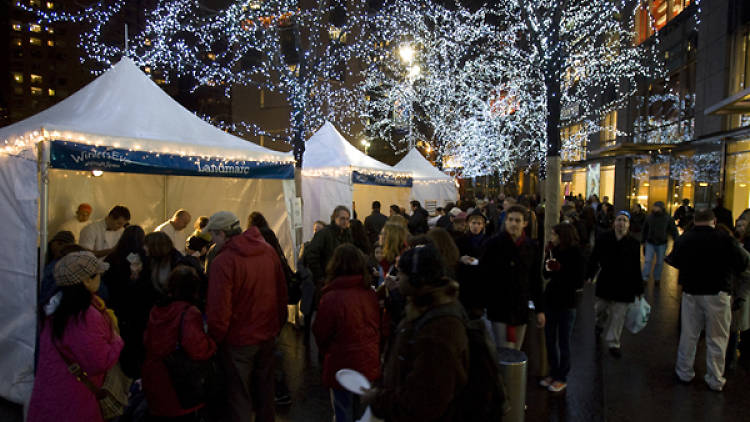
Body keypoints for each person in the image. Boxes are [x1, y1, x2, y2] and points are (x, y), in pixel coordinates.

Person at [361, 244, 468, 422]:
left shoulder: (437, 330)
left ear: (417, 279)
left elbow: (425, 401)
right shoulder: (424, 308)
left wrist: (378, 400)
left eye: (401, 273)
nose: (397, 278)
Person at [205, 211, 287, 422]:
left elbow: (218, 309)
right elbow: (281, 291)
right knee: (265, 393)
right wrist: (278, 325)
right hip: (267, 334)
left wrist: (215, 338)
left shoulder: (223, 261)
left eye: (213, 235)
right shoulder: (267, 251)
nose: (212, 241)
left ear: (222, 233)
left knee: (239, 396)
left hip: (238, 340)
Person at [28, 251, 123, 422]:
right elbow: (99, 362)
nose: (100, 278)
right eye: (97, 275)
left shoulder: (53, 308)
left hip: (49, 394)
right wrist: (116, 340)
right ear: (87, 280)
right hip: (75, 398)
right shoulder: (86, 315)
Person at [667, 208, 749, 391]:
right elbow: (743, 262)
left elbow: (673, 260)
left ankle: (684, 372)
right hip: (718, 293)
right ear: (714, 221)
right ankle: (715, 378)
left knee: (689, 334)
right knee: (717, 338)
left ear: (695, 220)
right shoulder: (725, 239)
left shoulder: (686, 238)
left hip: (691, 293)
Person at [313, 244, 381, 422]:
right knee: (363, 412)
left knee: (343, 411)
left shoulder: (331, 297)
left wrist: (327, 352)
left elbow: (321, 333)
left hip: (341, 363)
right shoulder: (369, 293)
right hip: (367, 359)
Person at [142, 265, 217, 421]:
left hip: (154, 376)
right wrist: (213, 343)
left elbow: (147, 340)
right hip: (178, 383)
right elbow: (198, 349)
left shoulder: (156, 310)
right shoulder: (188, 312)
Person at [481, 204, 544, 351]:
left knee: (516, 349)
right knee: (503, 351)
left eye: (517, 220)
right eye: (510, 220)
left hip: (520, 307)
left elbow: (535, 279)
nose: (513, 224)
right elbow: (483, 275)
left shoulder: (531, 247)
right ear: (506, 221)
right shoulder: (493, 245)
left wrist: (540, 309)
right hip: (499, 306)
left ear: (525, 223)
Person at [588, 211, 644, 358]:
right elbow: (594, 257)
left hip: (625, 284)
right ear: (614, 223)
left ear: (628, 224)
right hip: (606, 280)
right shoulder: (604, 238)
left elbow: (636, 266)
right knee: (601, 308)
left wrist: (638, 288)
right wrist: (589, 274)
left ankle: (614, 343)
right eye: (619, 220)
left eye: (625, 221)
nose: (621, 223)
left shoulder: (634, 244)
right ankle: (599, 324)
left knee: (619, 315)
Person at [540, 223, 585, 392]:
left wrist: (560, 269)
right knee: (550, 339)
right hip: (551, 300)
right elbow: (546, 274)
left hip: (567, 303)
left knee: (564, 341)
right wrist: (548, 262)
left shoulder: (576, 253)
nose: (552, 237)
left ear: (562, 235)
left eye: (554, 234)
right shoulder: (553, 250)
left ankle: (562, 376)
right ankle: (553, 372)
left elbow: (578, 281)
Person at [102, 225, 148, 378]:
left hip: (118, 307)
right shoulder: (145, 257)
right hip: (140, 308)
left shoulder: (113, 257)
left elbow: (106, 282)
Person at [305, 205, 354, 286]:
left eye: (347, 219)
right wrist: (320, 277)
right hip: (327, 280)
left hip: (343, 279)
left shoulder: (348, 235)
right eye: (342, 218)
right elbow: (312, 255)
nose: (345, 221)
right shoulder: (324, 234)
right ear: (335, 218)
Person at [455, 209, 488, 319]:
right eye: (473, 223)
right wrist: (460, 259)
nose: (476, 226)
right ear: (468, 224)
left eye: (479, 224)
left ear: (483, 226)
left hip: (481, 281)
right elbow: (454, 257)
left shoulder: (488, 241)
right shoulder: (460, 240)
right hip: (465, 280)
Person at [641, 201, 678, 285]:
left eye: (656, 207)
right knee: (650, 261)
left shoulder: (664, 218)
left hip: (660, 242)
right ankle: (648, 278)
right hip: (656, 241)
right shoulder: (653, 217)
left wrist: (676, 239)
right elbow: (645, 229)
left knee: (658, 262)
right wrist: (643, 240)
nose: (655, 208)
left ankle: (652, 278)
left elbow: (673, 230)